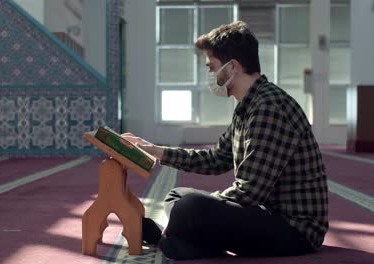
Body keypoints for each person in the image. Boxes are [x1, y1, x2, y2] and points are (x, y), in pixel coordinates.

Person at [122, 21, 328, 260]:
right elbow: (216, 158)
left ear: (232, 67)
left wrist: (200, 205)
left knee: (189, 207)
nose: (210, 74)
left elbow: (249, 192)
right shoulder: (248, 105)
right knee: (177, 196)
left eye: (212, 67)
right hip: (263, 214)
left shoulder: (269, 107)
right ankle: (184, 240)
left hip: (294, 230)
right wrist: (156, 151)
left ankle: (173, 239)